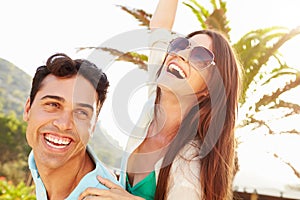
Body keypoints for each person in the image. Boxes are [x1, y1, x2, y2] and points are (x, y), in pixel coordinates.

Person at [79, 0, 241, 199]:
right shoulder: (155, 99)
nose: (181, 54)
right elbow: (160, 29)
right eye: (181, 44)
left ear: (210, 89)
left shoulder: (190, 160)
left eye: (200, 56)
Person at [23, 53, 121, 200]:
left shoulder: (102, 196)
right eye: (53, 105)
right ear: (28, 109)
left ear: (93, 126)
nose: (64, 124)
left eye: (81, 112)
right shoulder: (37, 158)